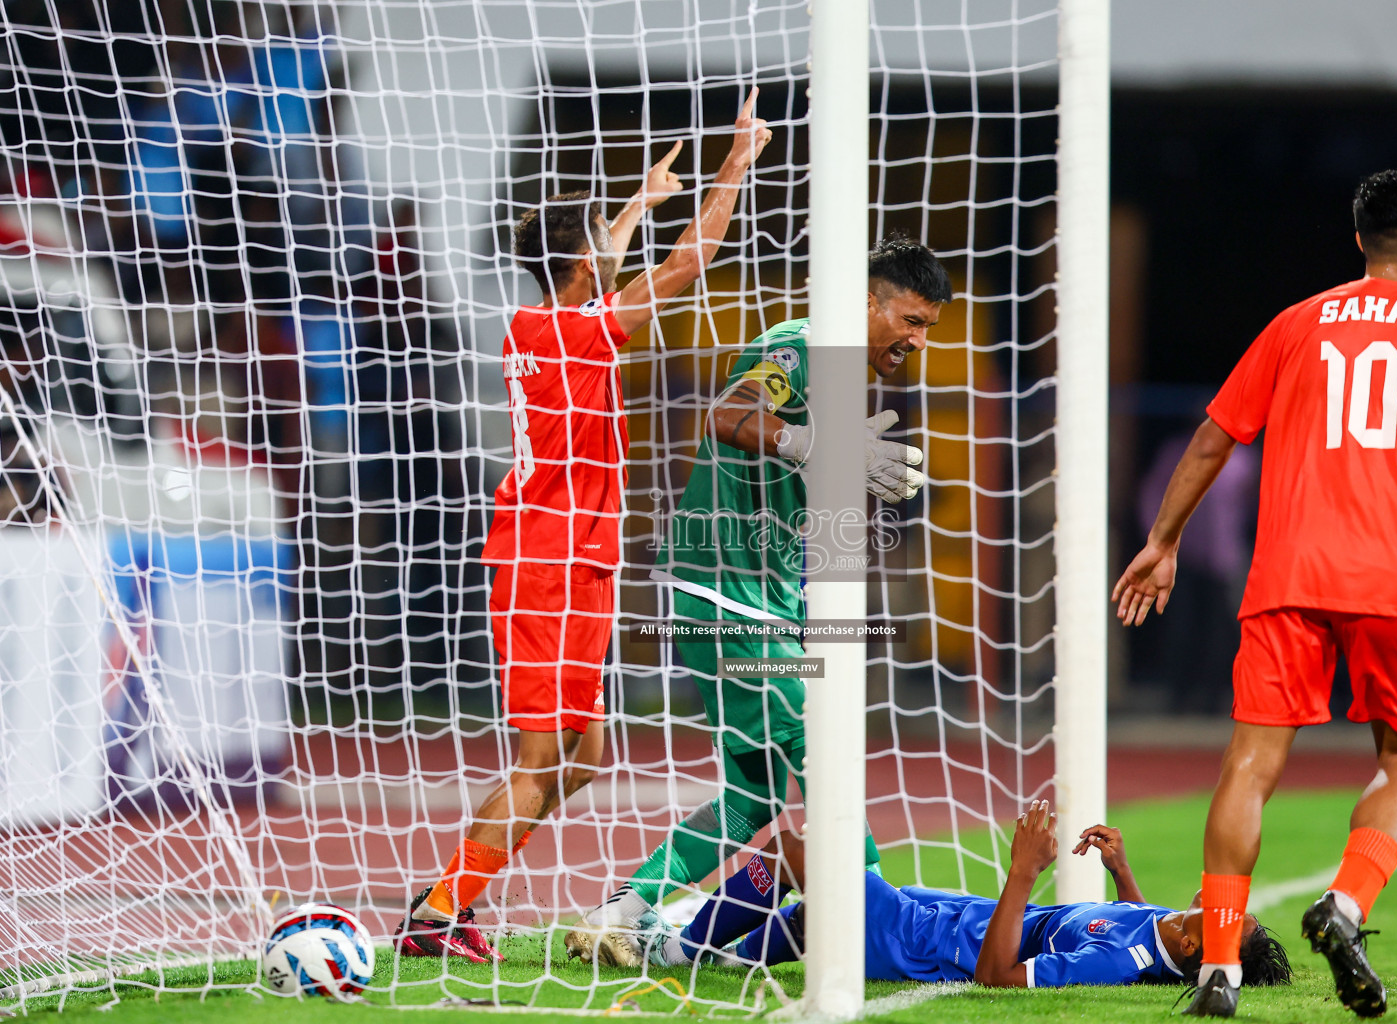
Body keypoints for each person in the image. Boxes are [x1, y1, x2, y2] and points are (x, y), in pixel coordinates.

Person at [1113, 170, 1397, 1017]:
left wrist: (1162, 540)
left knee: (1250, 765)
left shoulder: (1296, 323)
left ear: (1360, 241)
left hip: (1287, 576)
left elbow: (1213, 439)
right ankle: (1347, 904)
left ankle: (1219, 967)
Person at [393, 92, 772, 962]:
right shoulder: (578, 334)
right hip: (546, 564)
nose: (616, 244)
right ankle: (442, 913)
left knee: (581, 759)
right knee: (540, 761)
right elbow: (689, 261)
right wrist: (734, 164)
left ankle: (452, 895)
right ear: (581, 261)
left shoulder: (548, 324)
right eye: (605, 236)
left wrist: (634, 203)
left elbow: (611, 269)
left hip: (577, 563)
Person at [564, 235, 953, 966]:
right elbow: (725, 415)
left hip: (752, 595)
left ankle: (623, 913)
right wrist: (817, 448)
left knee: (755, 791)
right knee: (823, 756)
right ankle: (877, 920)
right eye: (911, 319)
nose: (918, 339)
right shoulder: (803, 346)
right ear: (869, 300)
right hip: (726, 593)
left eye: (929, 327)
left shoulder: (841, 375)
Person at [653, 800, 1292, 991]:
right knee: (819, 910)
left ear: (1191, 945)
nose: (1225, 906)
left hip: (925, 943)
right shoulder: (1160, 930)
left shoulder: (1118, 964)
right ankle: (732, 958)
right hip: (946, 912)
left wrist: (1024, 872)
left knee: (796, 852)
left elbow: (996, 975)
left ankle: (678, 951)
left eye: (1226, 923)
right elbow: (1135, 922)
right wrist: (1122, 872)